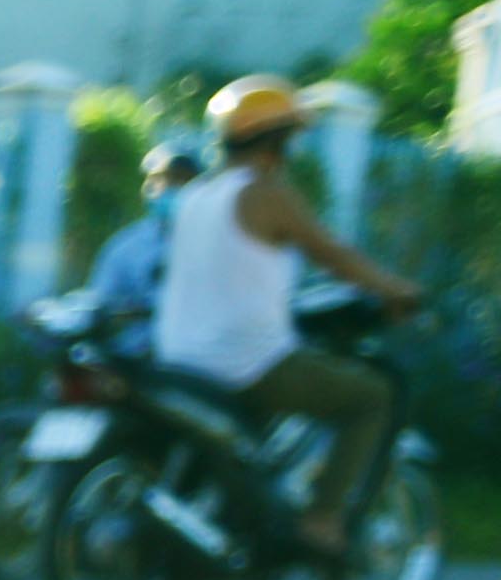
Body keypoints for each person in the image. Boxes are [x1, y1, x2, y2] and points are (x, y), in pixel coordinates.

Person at [156, 75, 425, 555]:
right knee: (371, 398)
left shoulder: (195, 196)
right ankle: (322, 520)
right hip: (246, 363)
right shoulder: (265, 192)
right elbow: (332, 253)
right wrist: (395, 289)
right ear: (277, 139)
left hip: (179, 358)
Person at [85, 136, 202, 335]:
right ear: (146, 186)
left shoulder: (215, 242)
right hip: (133, 357)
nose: (173, 187)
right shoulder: (126, 247)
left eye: (183, 179)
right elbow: (99, 305)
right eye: (163, 179)